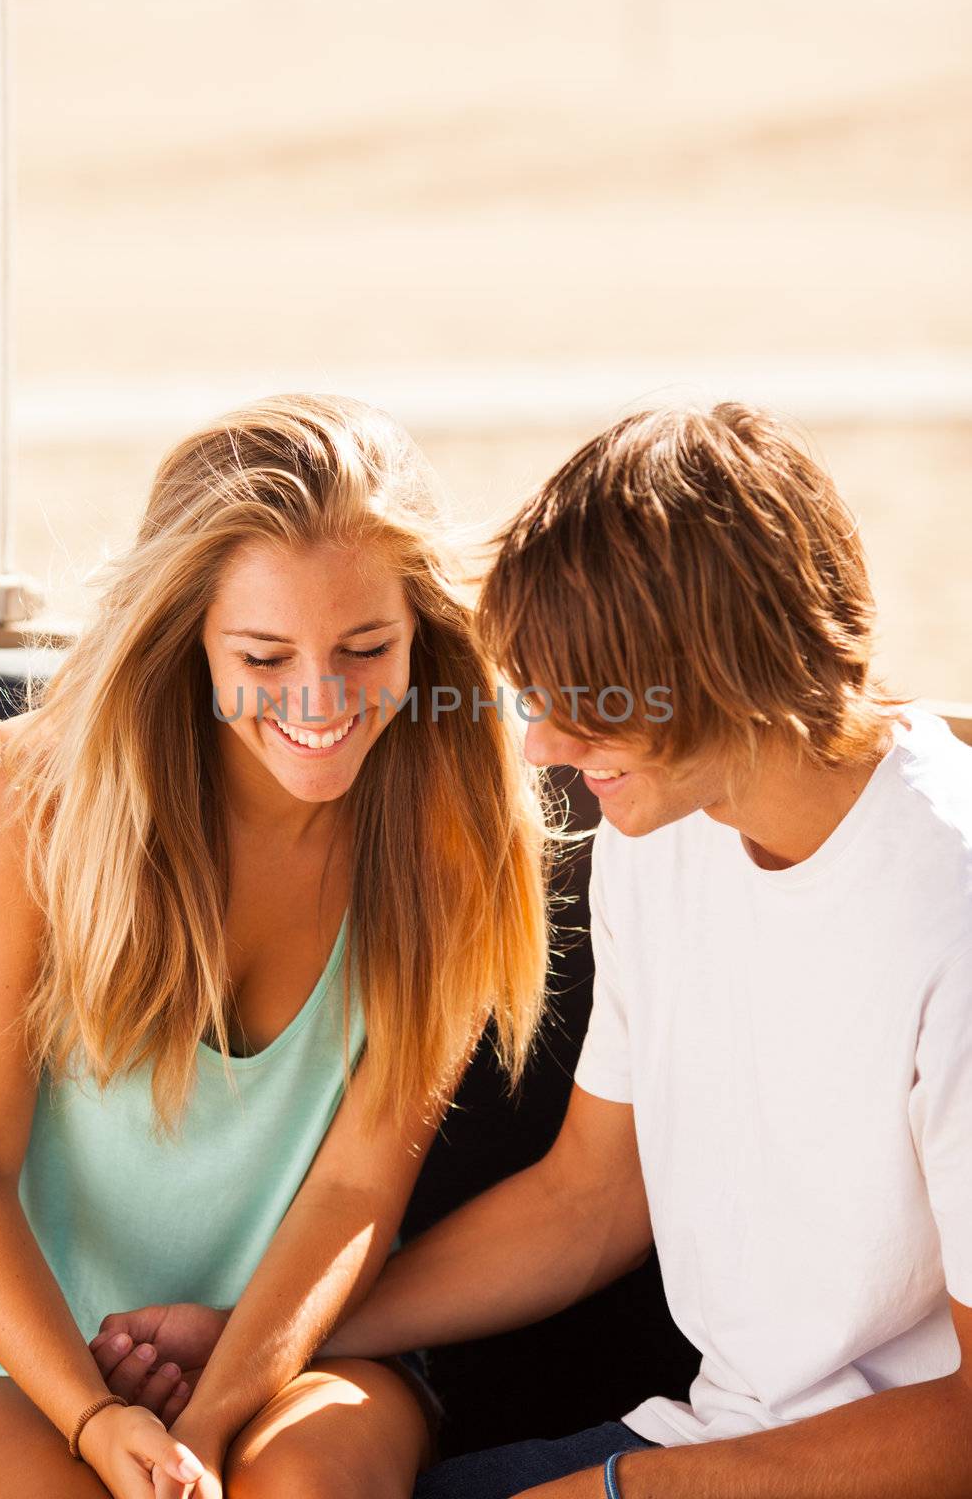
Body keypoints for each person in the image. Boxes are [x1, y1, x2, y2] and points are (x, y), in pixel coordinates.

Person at [93, 402, 972, 1498]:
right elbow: (582, 1205)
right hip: (707, 1439)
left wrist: (614, 1492)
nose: (543, 746)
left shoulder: (946, 906)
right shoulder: (659, 832)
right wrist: (254, 1344)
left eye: (589, 706)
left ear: (724, 670)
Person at [0, 393, 552, 1499]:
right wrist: (96, 1417)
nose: (319, 696)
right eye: (262, 652)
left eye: (365, 646)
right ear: (189, 639)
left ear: (420, 634)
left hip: (298, 1351)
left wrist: (206, 1426)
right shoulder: (34, 796)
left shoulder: (449, 836)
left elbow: (354, 1194)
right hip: (11, 1358)